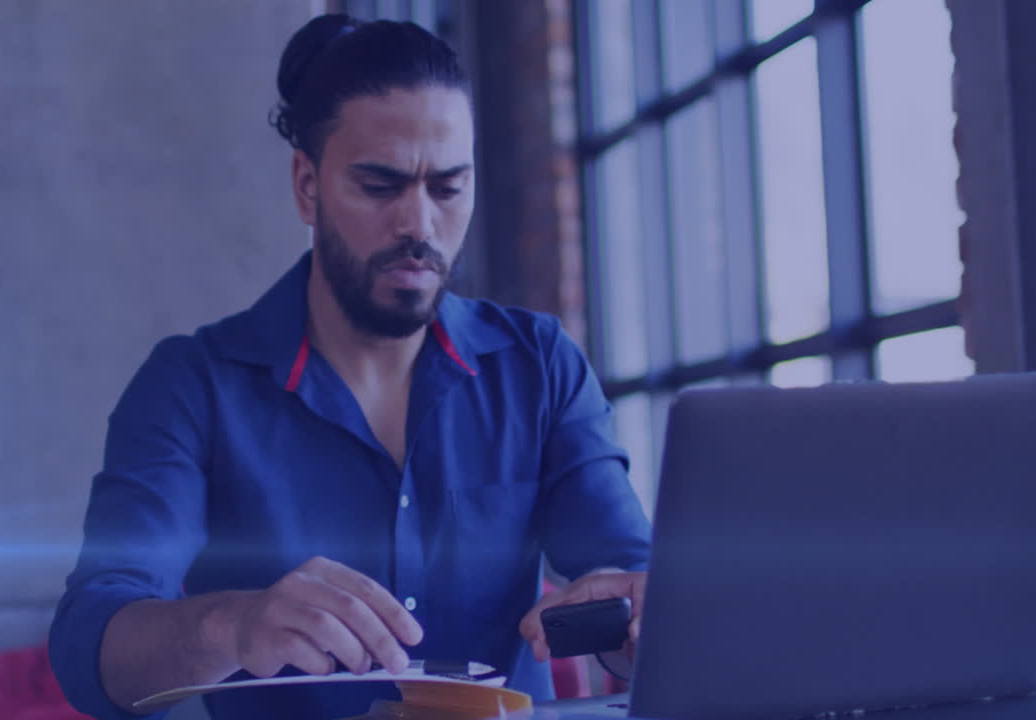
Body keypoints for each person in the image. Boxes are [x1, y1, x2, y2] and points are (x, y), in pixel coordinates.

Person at [49, 13, 651, 720]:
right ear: (307, 185)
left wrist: (635, 625)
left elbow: (630, 584)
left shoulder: (539, 366)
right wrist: (233, 624)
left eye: (447, 189)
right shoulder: (192, 388)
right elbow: (91, 644)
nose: (419, 226)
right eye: (380, 186)